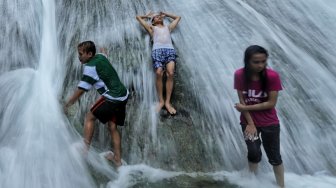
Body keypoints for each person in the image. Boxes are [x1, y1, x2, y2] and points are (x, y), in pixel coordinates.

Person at [64, 41, 129, 167]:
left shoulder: (90, 68)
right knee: (112, 126)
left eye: (81, 54)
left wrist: (68, 104)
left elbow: (81, 90)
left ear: (89, 54)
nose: (79, 57)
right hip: (123, 95)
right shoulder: (100, 57)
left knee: (89, 117)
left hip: (112, 97)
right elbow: (104, 53)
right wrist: (102, 49)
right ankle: (118, 160)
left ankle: (84, 150)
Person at [234, 45, 284, 187]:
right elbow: (242, 100)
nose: (260, 65)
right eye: (256, 62)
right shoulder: (239, 75)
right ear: (247, 61)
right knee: (253, 152)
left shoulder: (272, 76)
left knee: (274, 156)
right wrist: (250, 123)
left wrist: (245, 107)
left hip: (270, 123)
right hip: (247, 121)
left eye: (263, 61)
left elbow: (271, 103)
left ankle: (282, 185)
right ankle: (252, 182)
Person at [136, 11, 181, 115]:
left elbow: (178, 17)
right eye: (156, 17)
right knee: (158, 73)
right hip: (157, 51)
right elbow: (138, 17)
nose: (158, 17)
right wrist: (147, 16)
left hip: (170, 50)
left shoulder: (168, 28)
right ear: (153, 22)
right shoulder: (152, 29)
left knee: (170, 73)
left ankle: (167, 103)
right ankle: (161, 101)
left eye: (159, 16)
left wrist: (166, 14)